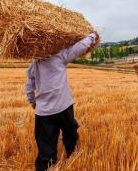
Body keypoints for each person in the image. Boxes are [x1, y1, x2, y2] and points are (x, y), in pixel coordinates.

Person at [25, 32, 100, 171]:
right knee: (70, 134)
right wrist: (92, 36)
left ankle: (45, 166)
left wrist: (33, 102)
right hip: (63, 106)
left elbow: (29, 87)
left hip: (43, 112)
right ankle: (73, 159)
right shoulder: (60, 56)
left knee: (46, 144)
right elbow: (80, 47)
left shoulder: (34, 64)